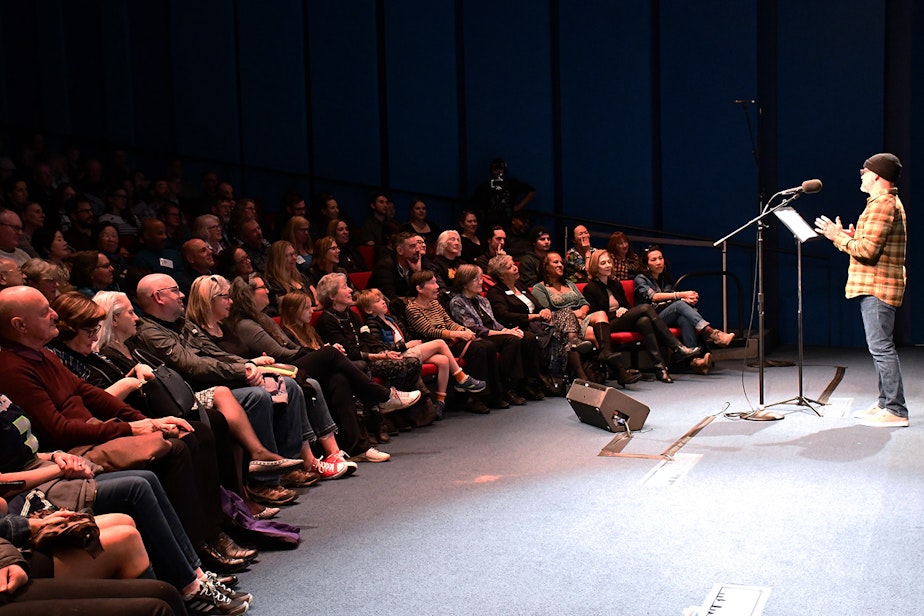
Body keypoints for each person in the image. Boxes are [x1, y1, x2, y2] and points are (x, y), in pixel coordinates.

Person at [0, 286, 255, 574]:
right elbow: (58, 430)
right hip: (76, 447)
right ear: (20, 325)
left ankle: (215, 530)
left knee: (192, 431)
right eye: (45, 311)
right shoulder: (11, 368)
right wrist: (131, 428)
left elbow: (90, 394)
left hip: (94, 433)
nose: (54, 315)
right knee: (176, 450)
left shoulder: (42, 354)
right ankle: (198, 546)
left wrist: (147, 422)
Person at [60, 290, 301, 517]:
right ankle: (239, 497)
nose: (137, 317)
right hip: (147, 412)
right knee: (213, 421)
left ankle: (245, 492)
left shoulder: (135, 343)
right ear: (113, 320)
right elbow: (186, 366)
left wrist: (246, 364)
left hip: (167, 403)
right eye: (130, 313)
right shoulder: (103, 353)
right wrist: (132, 384)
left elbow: (207, 356)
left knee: (247, 401)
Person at [133, 274, 348, 493]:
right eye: (175, 290)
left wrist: (250, 365)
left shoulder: (182, 324)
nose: (181, 295)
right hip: (197, 391)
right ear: (158, 297)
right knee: (258, 395)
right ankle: (265, 481)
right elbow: (192, 366)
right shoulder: (151, 332)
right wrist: (243, 370)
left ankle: (289, 465)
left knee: (288, 385)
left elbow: (216, 353)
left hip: (220, 380)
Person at [218, 275, 387, 464]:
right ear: (248, 295)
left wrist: (315, 353)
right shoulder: (246, 324)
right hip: (277, 370)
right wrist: (319, 353)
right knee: (330, 354)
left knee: (338, 378)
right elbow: (281, 353)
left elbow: (290, 347)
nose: (268, 290)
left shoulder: (263, 318)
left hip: (286, 365)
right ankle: (381, 396)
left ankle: (356, 447)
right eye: (262, 287)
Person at [813, 152, 908, 428]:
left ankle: (896, 409)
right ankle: (885, 403)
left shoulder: (883, 204)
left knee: (881, 347)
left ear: (877, 175)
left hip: (878, 286)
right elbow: (871, 243)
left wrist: (837, 237)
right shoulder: (881, 202)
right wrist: (851, 236)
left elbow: (867, 252)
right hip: (878, 283)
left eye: (864, 171)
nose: (861, 175)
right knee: (879, 346)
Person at [356, 287, 485, 419]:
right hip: (396, 355)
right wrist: (404, 345)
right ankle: (461, 378)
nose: (383, 301)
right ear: (368, 310)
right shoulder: (372, 324)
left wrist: (414, 343)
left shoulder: (392, 319)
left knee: (443, 360)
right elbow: (380, 347)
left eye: (382, 298)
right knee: (440, 343)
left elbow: (406, 336)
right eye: (377, 301)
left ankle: (440, 402)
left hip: (407, 350)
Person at [583, 250, 701, 383]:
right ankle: (676, 347)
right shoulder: (590, 288)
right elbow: (595, 314)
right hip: (607, 325)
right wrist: (615, 312)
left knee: (644, 321)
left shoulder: (615, 284)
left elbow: (626, 305)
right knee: (646, 308)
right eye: (603, 263)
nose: (608, 265)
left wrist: (623, 308)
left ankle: (660, 368)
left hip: (622, 318)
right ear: (595, 267)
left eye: (609, 262)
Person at [403, 269, 510, 412]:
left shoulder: (435, 304)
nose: (437, 287)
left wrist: (463, 330)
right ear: (419, 289)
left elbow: (449, 321)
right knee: (479, 349)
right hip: (435, 345)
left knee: (489, 346)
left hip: (450, 341)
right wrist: (457, 334)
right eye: (432, 283)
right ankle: (474, 398)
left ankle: (494, 394)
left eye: (436, 282)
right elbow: (428, 331)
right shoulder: (412, 309)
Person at [531, 252, 643, 386]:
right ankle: (617, 371)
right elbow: (547, 310)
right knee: (593, 332)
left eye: (561, 262)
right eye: (556, 262)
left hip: (580, 318)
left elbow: (584, 303)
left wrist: (581, 312)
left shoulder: (569, 284)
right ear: (545, 266)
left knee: (601, 313)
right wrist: (572, 315)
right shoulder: (540, 288)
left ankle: (606, 355)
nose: (560, 265)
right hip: (559, 323)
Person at [486, 253, 593, 389]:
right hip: (522, 326)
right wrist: (535, 316)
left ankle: (577, 364)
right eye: (510, 266)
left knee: (565, 316)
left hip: (540, 323)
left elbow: (537, 305)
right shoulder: (495, 292)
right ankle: (577, 358)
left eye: (514, 264)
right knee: (566, 321)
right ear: (501, 275)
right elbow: (505, 316)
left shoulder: (520, 285)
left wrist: (544, 310)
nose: (515, 267)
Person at [448, 264, 544, 402]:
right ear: (465, 282)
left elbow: (494, 322)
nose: (481, 281)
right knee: (511, 340)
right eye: (477, 279)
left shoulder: (482, 300)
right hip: (477, 337)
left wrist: (507, 330)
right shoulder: (457, 302)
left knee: (527, 337)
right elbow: (475, 329)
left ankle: (527, 383)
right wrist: (504, 334)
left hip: (493, 333)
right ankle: (506, 387)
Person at [634, 245, 735, 358]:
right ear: (646, 264)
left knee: (684, 318)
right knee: (679, 305)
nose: (658, 262)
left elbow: (670, 299)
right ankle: (712, 333)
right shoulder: (640, 278)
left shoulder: (664, 278)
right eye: (654, 260)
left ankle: (694, 359)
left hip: (665, 316)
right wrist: (681, 295)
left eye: (660, 258)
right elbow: (654, 297)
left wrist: (686, 299)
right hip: (649, 320)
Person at [470, 158, 536, 230]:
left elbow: (531, 191)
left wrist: (519, 206)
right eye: (496, 170)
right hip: (489, 221)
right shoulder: (485, 186)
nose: (498, 173)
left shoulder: (511, 183)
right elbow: (474, 202)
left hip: (508, 220)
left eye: (501, 170)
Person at [264, 240, 317, 315]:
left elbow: (316, 297)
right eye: (289, 255)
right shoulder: (273, 283)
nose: (295, 258)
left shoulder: (301, 277)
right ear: (278, 259)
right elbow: (287, 308)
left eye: (295, 253)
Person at [428, 230, 466, 299]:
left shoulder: (462, 264)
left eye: (458, 240)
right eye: (452, 239)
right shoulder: (435, 264)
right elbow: (441, 289)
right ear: (443, 243)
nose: (457, 243)